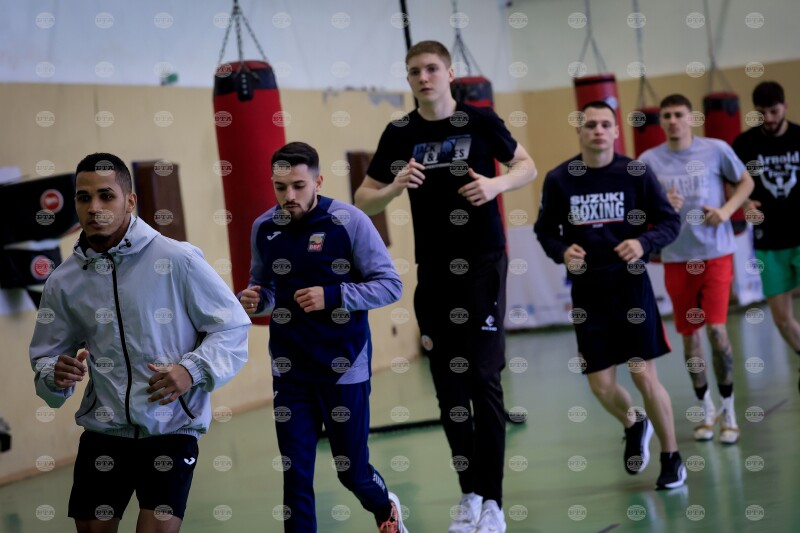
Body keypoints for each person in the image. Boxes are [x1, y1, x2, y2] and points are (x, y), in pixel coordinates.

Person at [354, 40, 537, 533]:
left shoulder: (480, 120)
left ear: (450, 73)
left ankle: (494, 502)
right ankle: (470, 493)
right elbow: (363, 199)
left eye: (432, 68)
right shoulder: (401, 133)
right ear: (408, 78)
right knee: (449, 386)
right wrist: (394, 187)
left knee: (483, 378)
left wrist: (496, 185)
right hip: (434, 270)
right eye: (415, 71)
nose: (424, 77)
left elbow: (527, 165)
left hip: (483, 263)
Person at [29, 152, 251, 533]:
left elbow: (232, 327)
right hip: (104, 431)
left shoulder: (177, 259)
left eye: (106, 196)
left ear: (129, 201)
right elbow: (46, 357)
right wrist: (54, 375)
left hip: (171, 427)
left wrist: (191, 371)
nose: (94, 207)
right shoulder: (63, 281)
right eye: (84, 198)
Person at [240, 142, 406, 533]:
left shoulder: (349, 222)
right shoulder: (264, 228)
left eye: (298, 185)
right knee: (296, 475)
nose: (289, 195)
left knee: (352, 472)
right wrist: (256, 300)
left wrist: (332, 296)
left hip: (344, 365)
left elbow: (390, 285)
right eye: (280, 187)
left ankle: (385, 508)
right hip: (289, 369)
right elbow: (265, 289)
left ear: (318, 182)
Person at [534, 101, 686, 490]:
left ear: (616, 131)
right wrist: (561, 251)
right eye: (591, 125)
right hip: (588, 293)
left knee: (642, 373)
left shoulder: (635, 173)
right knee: (600, 386)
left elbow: (669, 221)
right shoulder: (560, 179)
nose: (598, 130)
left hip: (630, 288)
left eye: (605, 124)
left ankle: (672, 458)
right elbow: (545, 231)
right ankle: (634, 423)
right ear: (580, 131)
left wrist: (644, 243)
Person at [640, 94, 754, 444]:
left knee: (717, 333)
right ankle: (705, 407)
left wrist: (727, 211)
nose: (673, 121)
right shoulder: (649, 160)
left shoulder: (716, 149)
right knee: (691, 340)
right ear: (661, 121)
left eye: (679, 114)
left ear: (692, 118)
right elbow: (638, 208)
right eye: (667, 116)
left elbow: (746, 182)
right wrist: (662, 207)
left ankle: (729, 409)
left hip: (716, 254)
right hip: (677, 258)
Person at [732, 81, 800, 393]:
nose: (769, 119)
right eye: (762, 113)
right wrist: (744, 202)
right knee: (782, 319)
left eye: (774, 111)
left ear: (785, 107)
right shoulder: (744, 144)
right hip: (768, 241)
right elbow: (731, 183)